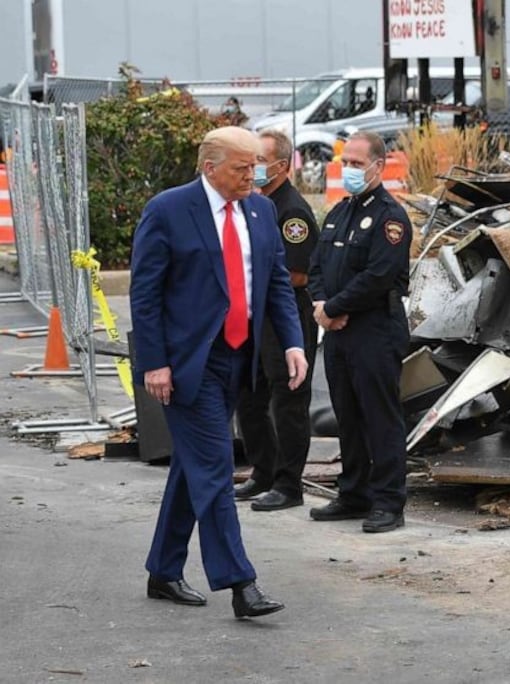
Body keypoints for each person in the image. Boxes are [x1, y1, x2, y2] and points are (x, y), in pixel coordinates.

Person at [130, 126, 307, 619]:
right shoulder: (168, 210)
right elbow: (145, 295)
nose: (252, 175)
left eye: (256, 166)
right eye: (241, 168)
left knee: (193, 467)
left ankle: (164, 569)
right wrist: (155, 362)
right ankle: (240, 583)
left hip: (240, 358)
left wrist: (292, 341)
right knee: (214, 468)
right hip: (190, 363)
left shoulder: (261, 210)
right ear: (210, 168)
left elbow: (274, 282)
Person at [307, 131, 410, 534]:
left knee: (379, 418)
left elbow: (379, 275)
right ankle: (354, 493)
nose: (348, 169)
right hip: (337, 332)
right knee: (346, 415)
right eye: (344, 162)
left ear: (377, 166)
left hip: (374, 330)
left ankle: (387, 501)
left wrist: (334, 307)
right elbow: (316, 266)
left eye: (355, 163)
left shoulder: (390, 217)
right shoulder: (339, 212)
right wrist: (322, 307)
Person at [234, 131, 319, 511]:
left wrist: (254, 277)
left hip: (287, 315)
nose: (254, 169)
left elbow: (298, 274)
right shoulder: (254, 204)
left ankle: (288, 484)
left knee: (287, 402)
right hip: (256, 316)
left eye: (260, 161)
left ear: (281, 166)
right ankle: (263, 470)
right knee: (250, 397)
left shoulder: (292, 211)